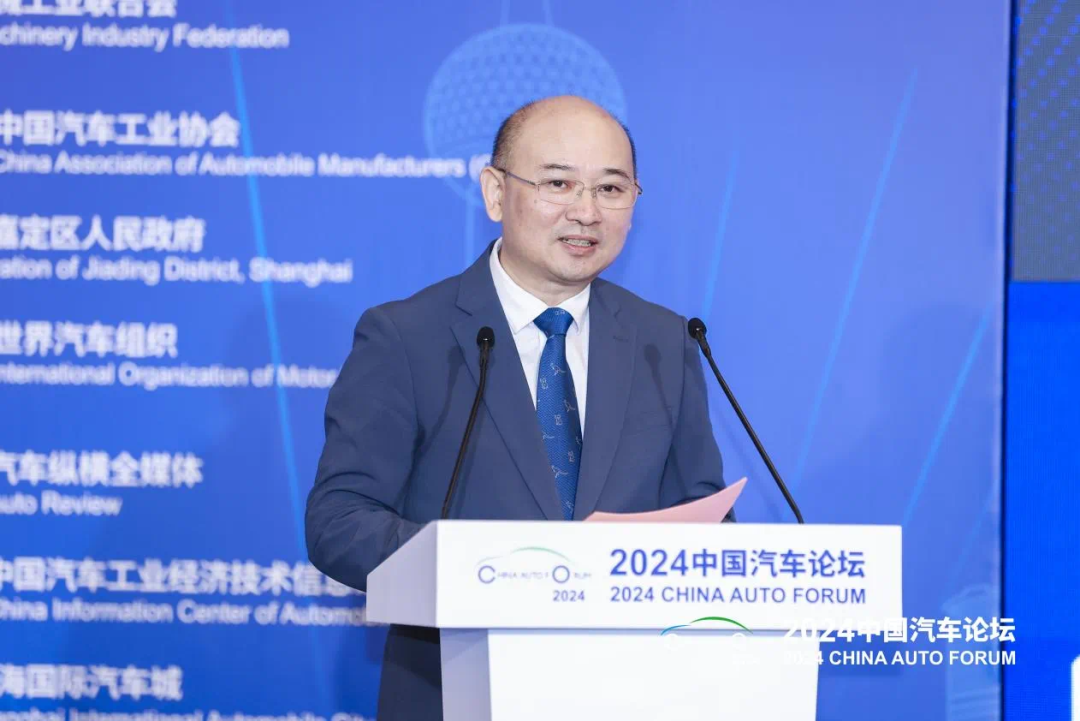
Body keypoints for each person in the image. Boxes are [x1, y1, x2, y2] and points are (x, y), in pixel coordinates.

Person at [305, 95, 731, 720]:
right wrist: (491, 569)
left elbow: (705, 520)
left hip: (630, 692)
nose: (586, 211)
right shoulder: (407, 335)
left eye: (611, 188)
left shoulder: (664, 340)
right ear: (495, 192)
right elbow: (339, 522)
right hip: (456, 689)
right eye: (558, 183)